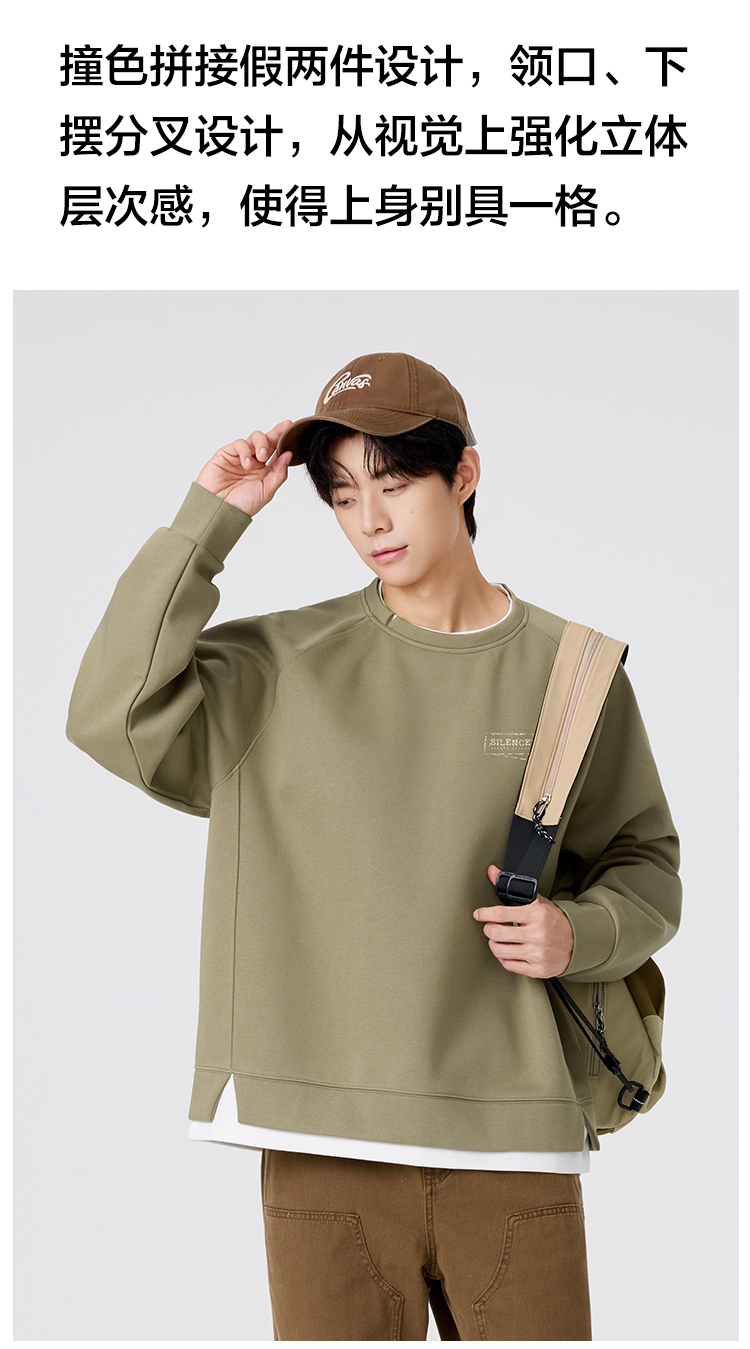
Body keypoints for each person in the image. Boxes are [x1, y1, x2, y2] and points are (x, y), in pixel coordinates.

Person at [66, 352, 681, 1341]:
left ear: (464, 473)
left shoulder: (573, 675)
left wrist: (579, 931)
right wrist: (207, 522)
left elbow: (645, 862)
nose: (370, 520)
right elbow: (112, 712)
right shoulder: (279, 665)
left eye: (393, 483)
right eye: (344, 494)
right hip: (320, 1141)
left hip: (511, 1138)